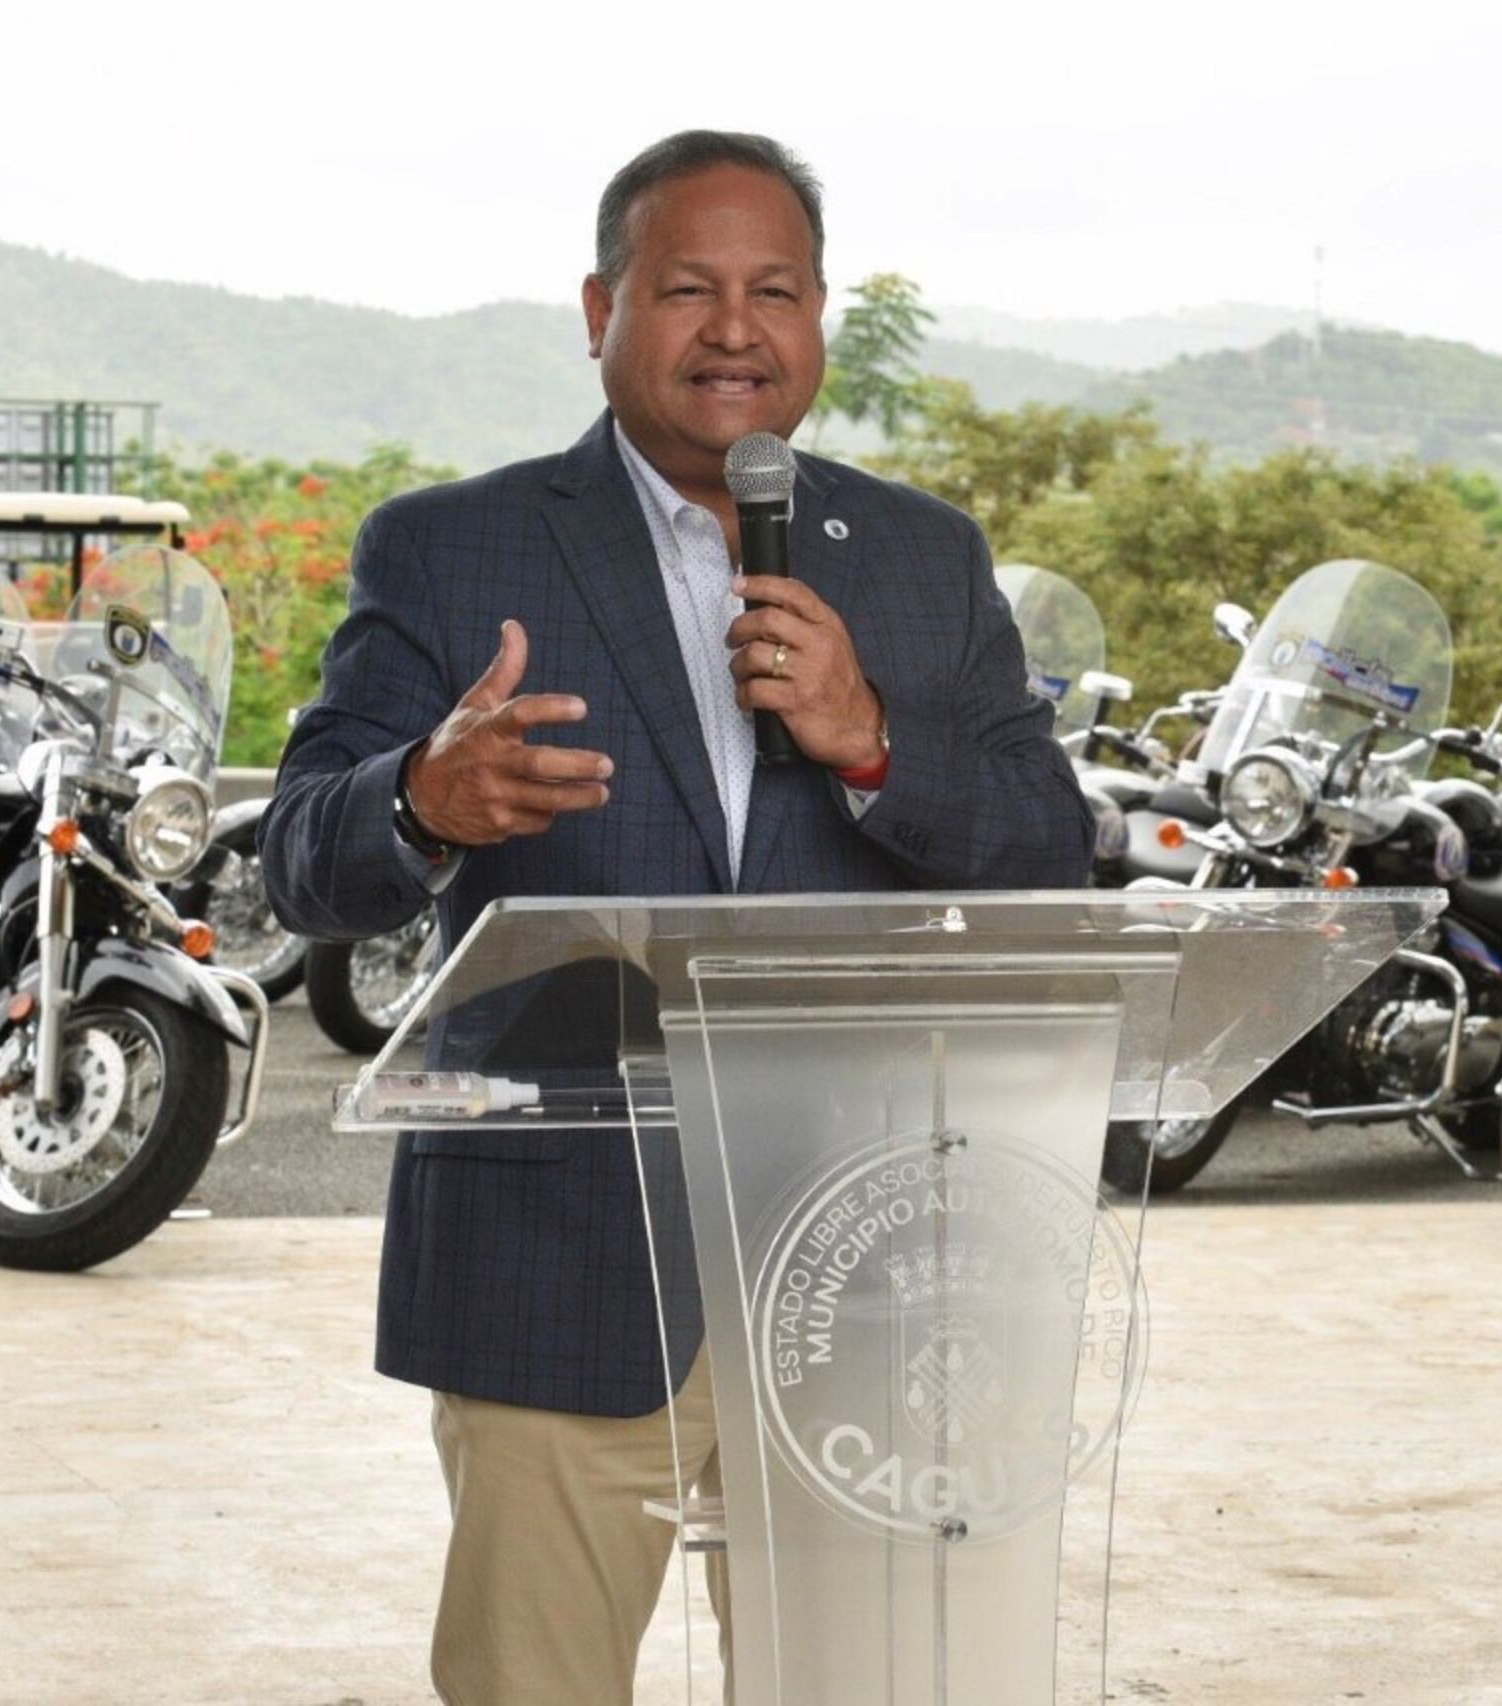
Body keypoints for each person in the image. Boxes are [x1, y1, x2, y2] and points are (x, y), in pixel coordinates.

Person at [259, 130, 1092, 1703]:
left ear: (821, 319)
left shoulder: (921, 559)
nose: (736, 329)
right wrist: (423, 801)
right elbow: (296, 859)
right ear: (601, 309)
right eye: (688, 287)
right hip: (558, 1251)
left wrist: (877, 749)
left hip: (868, 1264)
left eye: (774, 290)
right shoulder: (452, 547)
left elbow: (1048, 845)